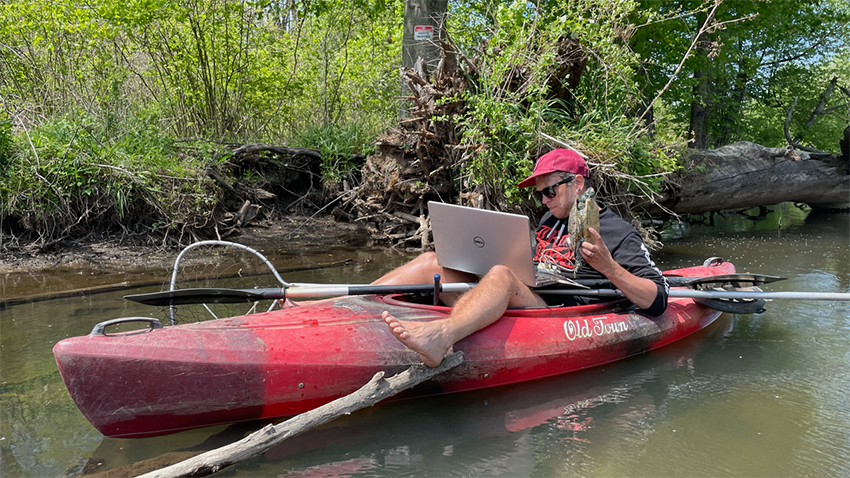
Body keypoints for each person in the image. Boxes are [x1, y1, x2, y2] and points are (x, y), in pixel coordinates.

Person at [375, 149, 668, 367]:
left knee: (502, 275)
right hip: (527, 293)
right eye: (540, 194)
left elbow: (658, 299)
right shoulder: (548, 219)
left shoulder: (619, 232)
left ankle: (441, 336)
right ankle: (344, 306)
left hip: (557, 313)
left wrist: (610, 268)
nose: (544, 200)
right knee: (432, 261)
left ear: (578, 184)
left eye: (550, 191)